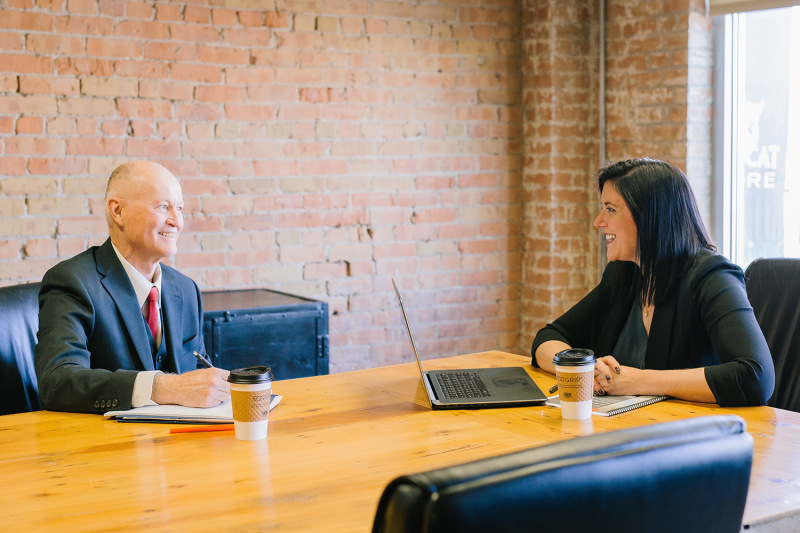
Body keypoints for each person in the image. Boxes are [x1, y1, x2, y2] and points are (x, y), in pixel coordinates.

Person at [531, 158, 774, 407]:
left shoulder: (712, 276)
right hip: (631, 429)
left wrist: (637, 381)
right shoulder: (623, 274)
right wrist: (585, 370)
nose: (598, 221)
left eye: (610, 209)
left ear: (649, 216)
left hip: (694, 434)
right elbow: (548, 337)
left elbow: (755, 377)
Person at [35, 161, 230, 413]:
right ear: (118, 211)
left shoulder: (186, 289)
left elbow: (198, 377)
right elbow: (57, 383)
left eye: (179, 208)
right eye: (163, 207)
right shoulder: (72, 281)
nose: (177, 221)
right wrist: (161, 387)